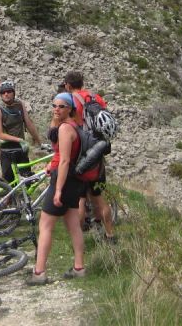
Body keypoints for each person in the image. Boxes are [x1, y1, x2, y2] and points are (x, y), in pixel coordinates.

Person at [27, 92, 86, 285]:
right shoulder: (75, 126)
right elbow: (60, 155)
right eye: (54, 105)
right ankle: (79, 268)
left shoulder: (65, 129)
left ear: (70, 108)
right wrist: (51, 165)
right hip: (74, 181)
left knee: (45, 226)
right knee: (73, 225)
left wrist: (58, 189)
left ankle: (39, 272)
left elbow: (65, 160)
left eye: (61, 106)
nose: (57, 109)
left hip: (64, 180)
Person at [64, 71, 116, 241]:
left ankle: (79, 238)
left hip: (80, 152)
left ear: (68, 85)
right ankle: (110, 235)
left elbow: (65, 123)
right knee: (100, 197)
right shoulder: (96, 98)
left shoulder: (70, 100)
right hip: (97, 153)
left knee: (79, 199)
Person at [0, 80, 41, 182]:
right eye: (3, 92)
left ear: (13, 92)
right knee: (9, 182)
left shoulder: (19, 105)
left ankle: (25, 198)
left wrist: (39, 141)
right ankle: (7, 198)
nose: (6, 94)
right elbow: (0, 134)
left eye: (9, 91)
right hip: (7, 150)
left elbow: (28, 123)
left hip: (21, 149)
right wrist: (19, 140)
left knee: (27, 179)